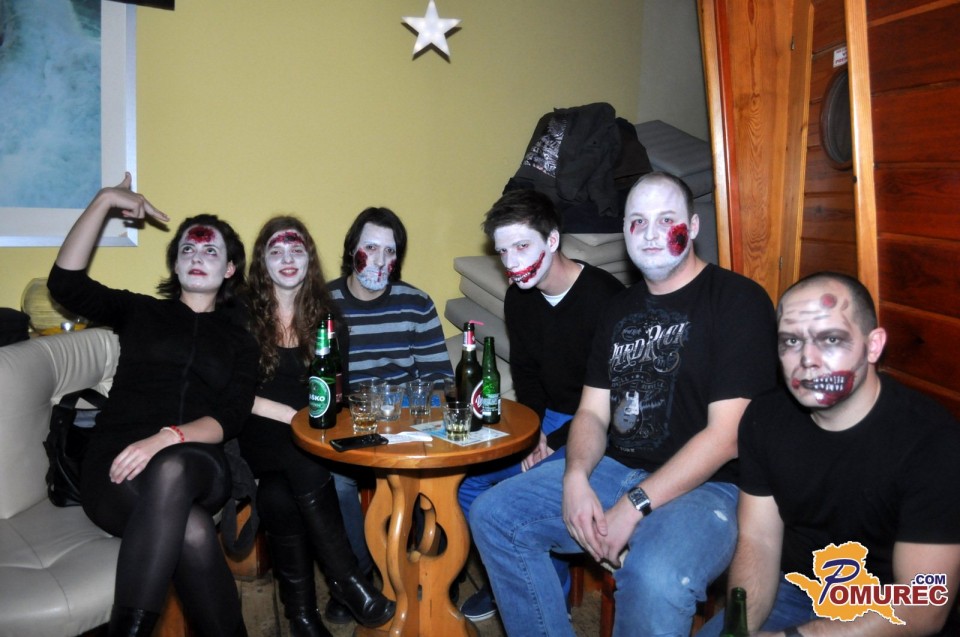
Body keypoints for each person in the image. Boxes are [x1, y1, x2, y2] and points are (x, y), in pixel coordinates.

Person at [470, 171, 780, 636]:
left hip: (711, 485)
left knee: (654, 576)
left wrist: (635, 505)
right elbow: (592, 413)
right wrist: (575, 475)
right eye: (637, 221)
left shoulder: (738, 300)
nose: (650, 234)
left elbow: (726, 437)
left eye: (666, 220)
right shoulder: (619, 310)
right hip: (615, 466)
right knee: (494, 515)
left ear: (694, 226)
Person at [47, 173, 258, 636]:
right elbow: (64, 284)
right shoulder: (140, 312)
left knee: (173, 466)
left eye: (210, 251)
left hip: (198, 461)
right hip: (116, 469)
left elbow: (231, 416)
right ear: (175, 265)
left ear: (229, 270)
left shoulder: (240, 340)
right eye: (187, 249)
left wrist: (167, 438)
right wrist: (104, 200)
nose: (197, 256)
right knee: (194, 531)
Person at [697, 272, 960, 637]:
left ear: (873, 346)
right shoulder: (764, 418)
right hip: (797, 590)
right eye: (791, 341)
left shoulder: (932, 442)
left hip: (886, 609)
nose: (807, 359)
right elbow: (759, 540)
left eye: (831, 339)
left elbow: (923, 609)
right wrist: (742, 629)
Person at [456, 188, 625, 621]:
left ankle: (546, 597)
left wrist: (551, 440)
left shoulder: (605, 298)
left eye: (521, 247)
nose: (511, 263)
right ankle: (512, 575)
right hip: (546, 418)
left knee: (527, 497)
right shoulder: (520, 297)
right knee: (467, 483)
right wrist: (531, 434)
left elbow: (612, 399)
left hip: (599, 424)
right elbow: (527, 375)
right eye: (502, 252)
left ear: (552, 240)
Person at [239, 216, 395, 637]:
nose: (287, 258)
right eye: (276, 251)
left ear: (309, 258)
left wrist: (314, 425)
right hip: (255, 432)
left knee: (278, 497)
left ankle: (303, 619)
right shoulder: (240, 315)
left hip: (304, 441)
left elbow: (336, 394)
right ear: (262, 262)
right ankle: (348, 579)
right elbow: (230, 395)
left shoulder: (330, 322)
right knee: (302, 457)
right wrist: (293, 419)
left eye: (296, 250)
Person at [325, 206, 453, 622]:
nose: (380, 260)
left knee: (428, 473)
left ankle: (426, 568)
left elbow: (440, 380)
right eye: (371, 248)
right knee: (333, 483)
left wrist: (408, 413)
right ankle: (357, 579)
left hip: (407, 425)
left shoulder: (415, 303)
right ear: (352, 249)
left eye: (390, 251)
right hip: (349, 426)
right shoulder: (323, 303)